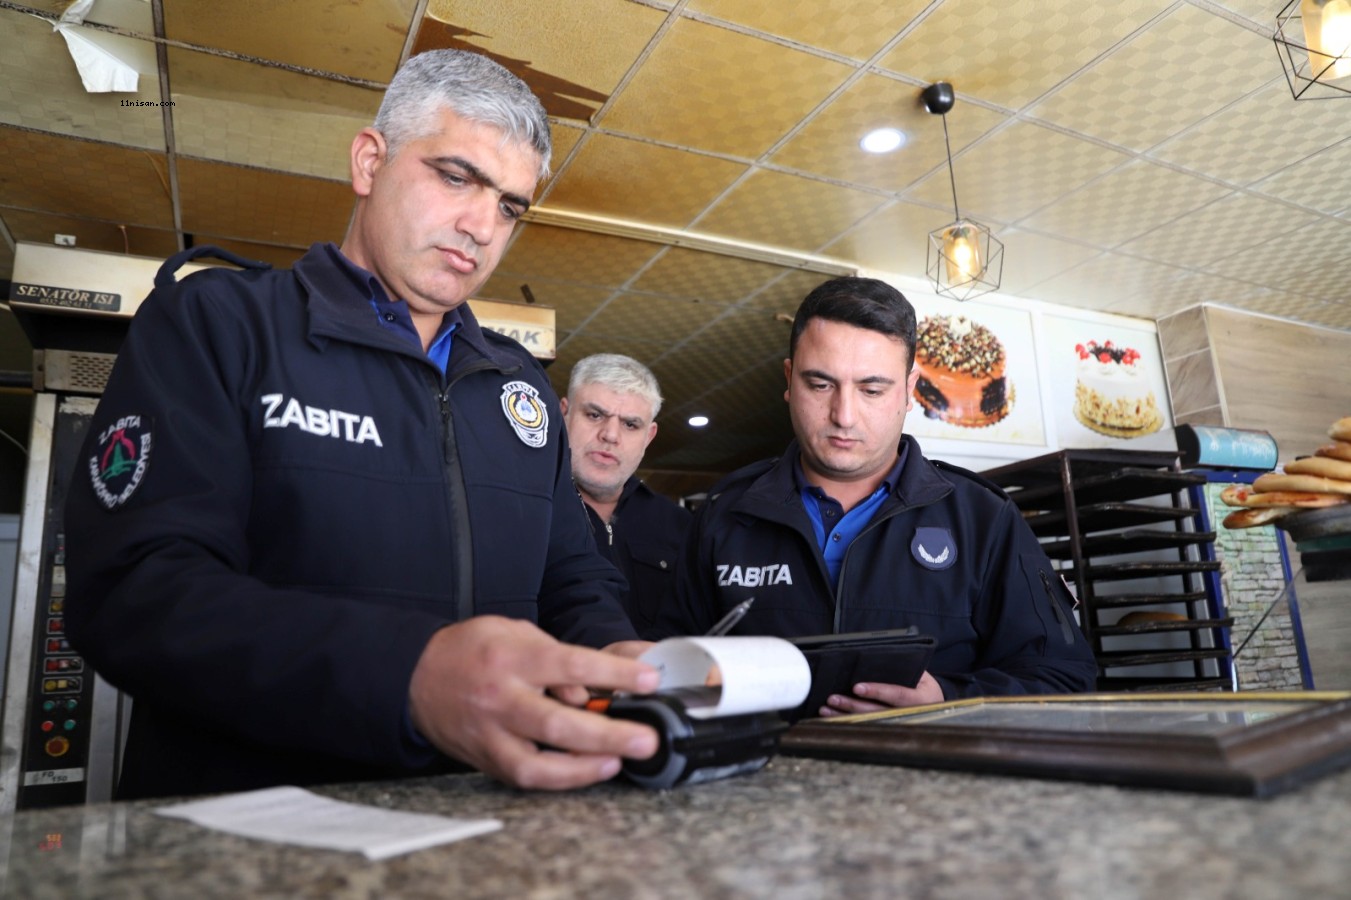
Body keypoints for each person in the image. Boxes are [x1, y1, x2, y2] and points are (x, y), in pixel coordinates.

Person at [63, 49, 662, 800]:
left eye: (509, 206)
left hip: (489, 814)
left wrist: (621, 664)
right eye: (455, 177)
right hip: (253, 823)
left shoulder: (522, 391)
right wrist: (407, 676)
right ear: (369, 162)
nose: (481, 225)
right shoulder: (219, 325)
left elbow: (571, 578)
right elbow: (136, 589)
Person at [654, 277, 1097, 715]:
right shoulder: (724, 512)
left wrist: (946, 700)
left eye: (871, 390)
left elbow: (1064, 679)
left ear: (909, 390)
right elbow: (664, 669)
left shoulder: (984, 517)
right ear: (790, 380)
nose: (843, 416)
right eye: (820, 384)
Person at [560, 354, 691, 633]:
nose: (610, 435)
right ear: (564, 414)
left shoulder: (681, 527)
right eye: (594, 415)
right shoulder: (527, 512)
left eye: (630, 424)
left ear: (649, 436)